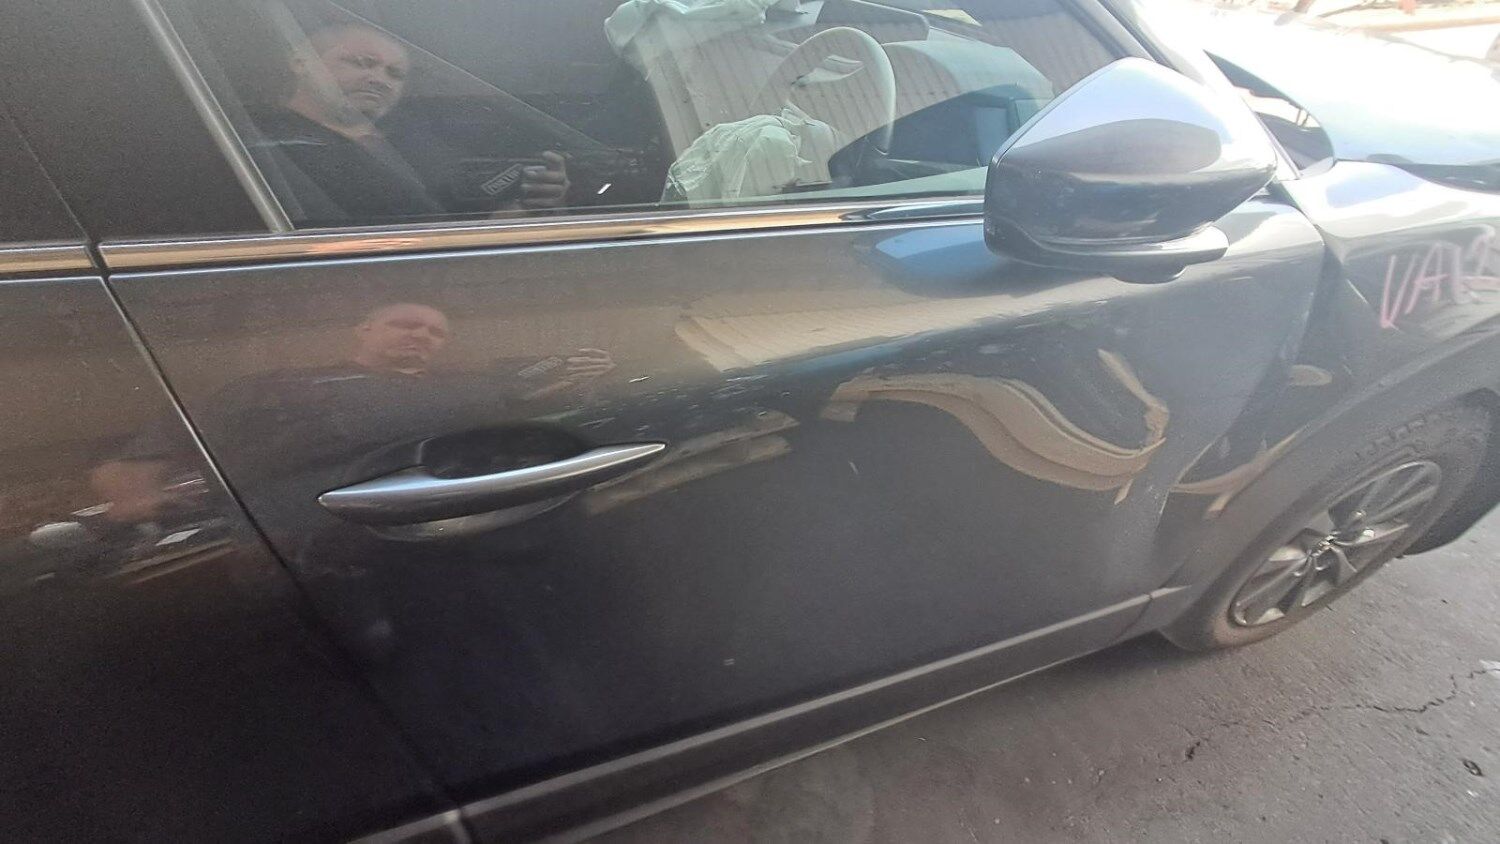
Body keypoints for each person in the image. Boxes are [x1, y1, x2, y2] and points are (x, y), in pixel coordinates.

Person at [254, 22, 571, 223]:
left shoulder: (421, 137)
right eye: (362, 63)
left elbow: (466, 213)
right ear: (301, 62)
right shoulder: (260, 146)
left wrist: (537, 203)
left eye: (395, 74)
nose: (379, 79)